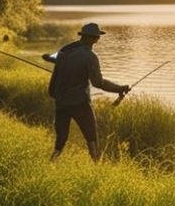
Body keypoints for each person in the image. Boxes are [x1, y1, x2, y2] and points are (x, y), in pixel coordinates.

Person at [47, 22, 129, 161]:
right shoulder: (90, 56)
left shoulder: (65, 50)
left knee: (61, 138)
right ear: (92, 38)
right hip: (79, 103)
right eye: (97, 37)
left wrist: (57, 95)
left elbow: (54, 75)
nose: (98, 39)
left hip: (61, 101)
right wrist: (119, 88)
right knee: (91, 137)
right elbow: (98, 83)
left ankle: (52, 162)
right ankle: (97, 166)